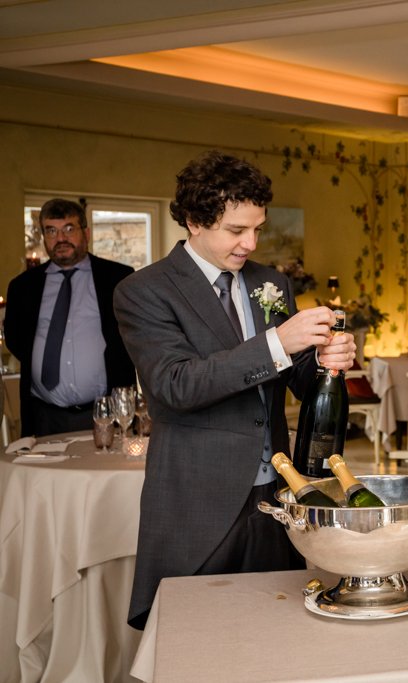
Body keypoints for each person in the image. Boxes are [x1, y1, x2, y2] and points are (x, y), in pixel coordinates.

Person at [114, 151, 355, 629]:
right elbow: (173, 386)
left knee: (278, 627)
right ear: (193, 222)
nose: (250, 243)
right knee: (195, 634)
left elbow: (298, 381)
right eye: (236, 230)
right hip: (197, 498)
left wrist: (328, 364)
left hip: (278, 493)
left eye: (258, 229)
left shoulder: (271, 283)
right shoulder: (145, 290)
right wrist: (275, 344)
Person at [3, 198, 135, 437]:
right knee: (43, 476)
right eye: (51, 231)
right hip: (43, 415)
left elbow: (134, 335)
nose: (60, 239)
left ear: (86, 232)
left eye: (69, 229)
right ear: (43, 236)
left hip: (104, 413)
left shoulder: (119, 278)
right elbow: (15, 338)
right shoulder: (23, 286)